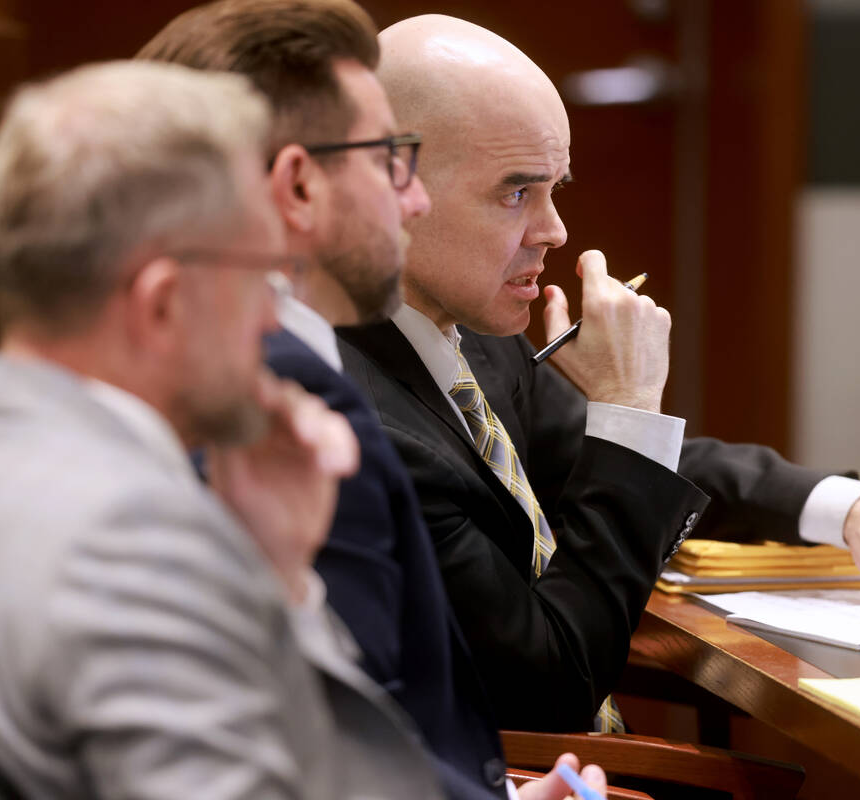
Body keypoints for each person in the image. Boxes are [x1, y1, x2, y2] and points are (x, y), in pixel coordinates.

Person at [337, 14, 860, 732]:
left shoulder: (468, 336)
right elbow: (552, 683)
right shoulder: (359, 419)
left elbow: (652, 471)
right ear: (395, 189)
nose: (555, 230)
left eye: (556, 188)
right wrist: (627, 404)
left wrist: (852, 511)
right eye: (516, 194)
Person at [0, 60, 450, 799]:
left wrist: (280, 575)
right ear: (163, 304)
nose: (272, 317)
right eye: (263, 277)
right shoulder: (133, 535)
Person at [136, 2, 608, 798]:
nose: (413, 201)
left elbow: (316, 728)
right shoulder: (289, 411)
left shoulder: (203, 373)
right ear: (297, 184)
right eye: (386, 164)